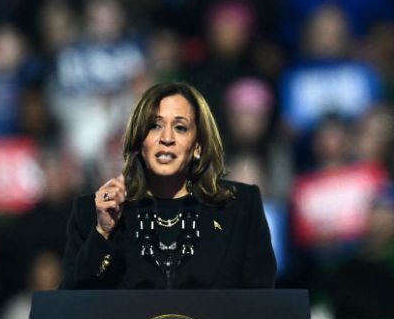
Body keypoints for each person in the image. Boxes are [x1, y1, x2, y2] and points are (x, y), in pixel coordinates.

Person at [60, 81, 276, 289]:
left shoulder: (240, 208)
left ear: (198, 145)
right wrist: (104, 232)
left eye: (180, 127)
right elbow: (71, 308)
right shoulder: (93, 213)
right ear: (139, 140)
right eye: (155, 126)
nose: (167, 138)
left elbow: (260, 308)